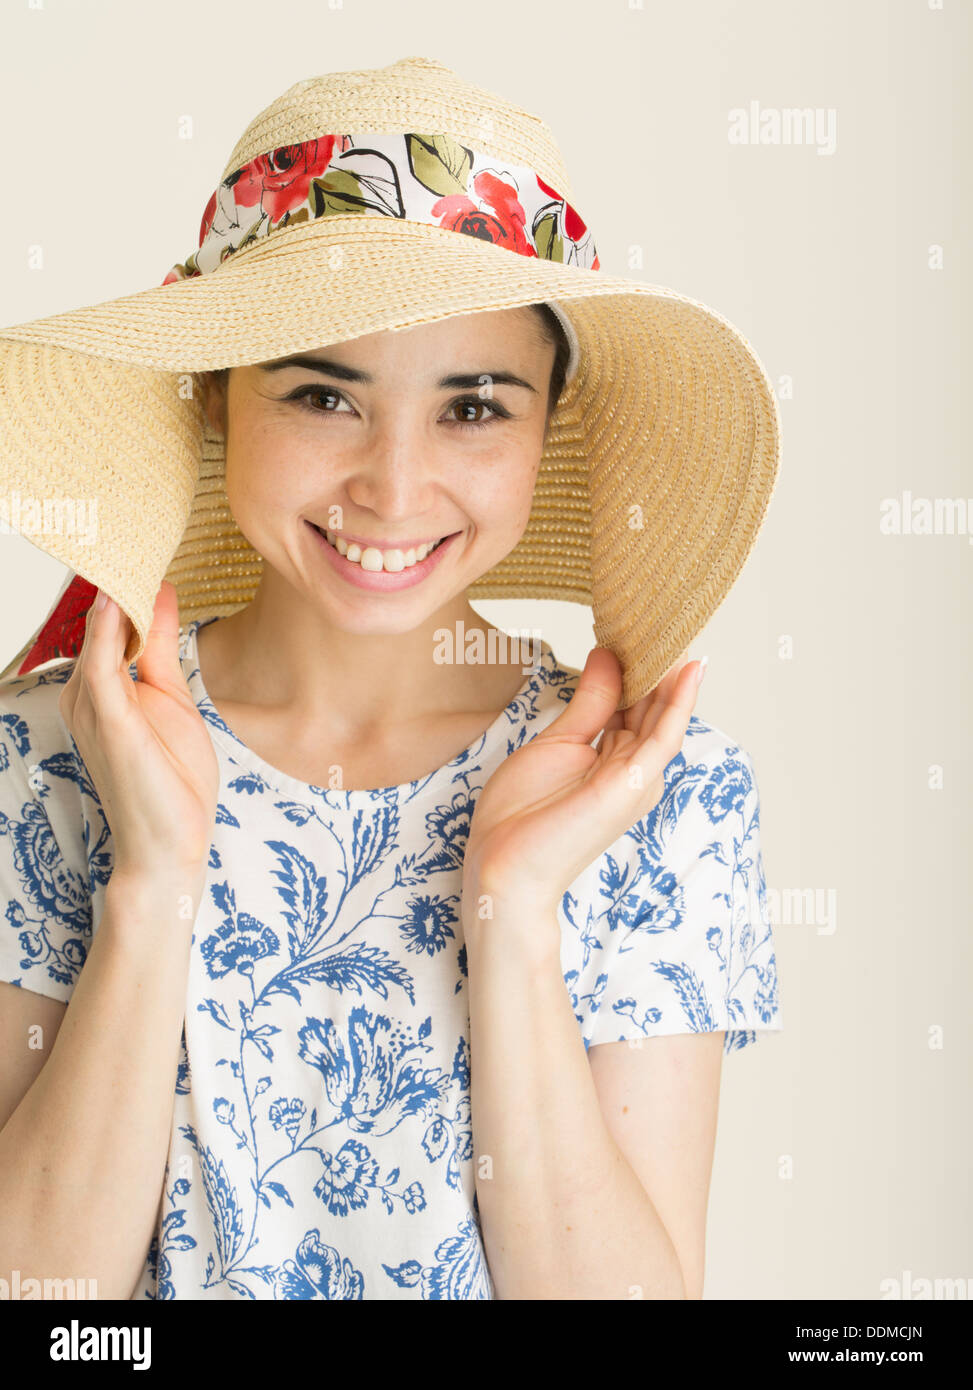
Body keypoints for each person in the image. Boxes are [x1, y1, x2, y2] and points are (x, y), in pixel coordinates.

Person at [0, 56, 782, 1301]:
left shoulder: (653, 803)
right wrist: (151, 881)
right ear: (213, 398)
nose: (395, 488)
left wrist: (515, 917)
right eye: (324, 394)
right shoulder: (48, 761)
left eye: (473, 407)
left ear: (547, 428)